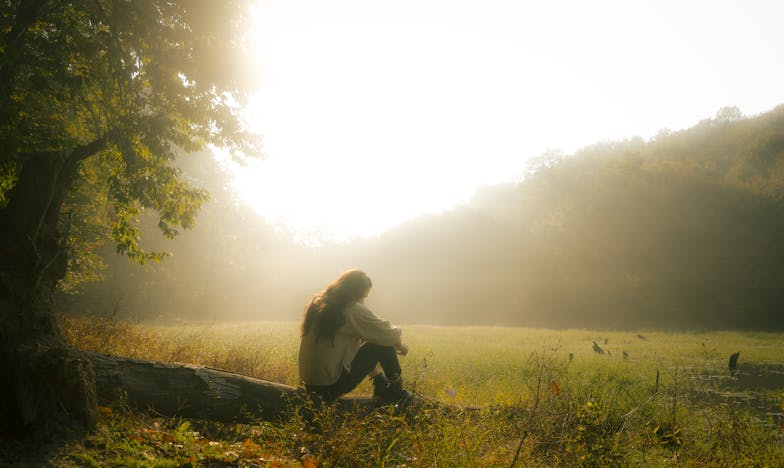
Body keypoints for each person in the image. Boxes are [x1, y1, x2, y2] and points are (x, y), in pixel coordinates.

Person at [298, 269, 412, 405]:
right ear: (355, 293)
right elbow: (387, 332)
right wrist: (400, 345)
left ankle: (380, 382)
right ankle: (396, 391)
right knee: (382, 341)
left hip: (311, 385)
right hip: (329, 386)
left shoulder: (320, 304)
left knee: (373, 337)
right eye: (363, 296)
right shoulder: (350, 309)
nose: (363, 301)